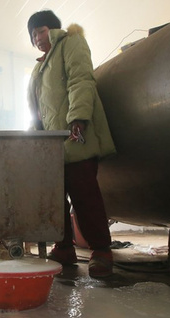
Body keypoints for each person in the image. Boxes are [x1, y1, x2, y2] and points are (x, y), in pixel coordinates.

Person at [27, 10, 116, 278]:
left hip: (76, 134)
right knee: (54, 198)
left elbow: (81, 79)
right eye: (32, 35)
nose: (37, 38)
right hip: (52, 145)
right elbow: (37, 111)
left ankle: (101, 251)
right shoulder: (39, 67)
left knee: (84, 194)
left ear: (52, 29)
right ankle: (63, 247)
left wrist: (78, 116)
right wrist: (31, 140)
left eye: (40, 31)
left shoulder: (71, 43)